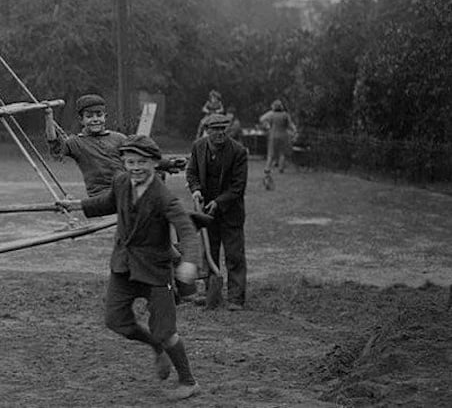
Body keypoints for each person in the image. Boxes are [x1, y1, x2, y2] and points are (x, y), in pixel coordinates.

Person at [58, 135, 202, 401]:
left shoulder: (163, 197)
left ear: (155, 163)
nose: (135, 167)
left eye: (142, 163)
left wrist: (189, 262)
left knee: (166, 331)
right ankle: (154, 345)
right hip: (123, 266)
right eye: (130, 162)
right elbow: (106, 203)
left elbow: (187, 230)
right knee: (116, 321)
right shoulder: (121, 181)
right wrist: (75, 205)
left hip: (155, 270)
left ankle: (188, 381)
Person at [186, 113, 249, 311]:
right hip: (206, 212)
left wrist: (219, 202)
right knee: (209, 253)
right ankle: (210, 292)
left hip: (231, 212)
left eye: (223, 129)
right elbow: (191, 172)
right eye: (215, 129)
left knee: (234, 255)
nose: (220, 133)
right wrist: (195, 189)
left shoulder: (238, 151)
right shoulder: (198, 146)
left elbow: (238, 187)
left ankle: (236, 298)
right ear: (207, 130)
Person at [45, 94, 129, 197]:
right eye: (89, 116)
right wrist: (49, 117)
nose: (95, 119)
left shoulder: (119, 138)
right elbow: (55, 146)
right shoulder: (76, 142)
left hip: (125, 192)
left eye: (99, 115)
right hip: (100, 197)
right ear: (81, 120)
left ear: (105, 117)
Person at [259, 99, 297, 174]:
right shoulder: (285, 114)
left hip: (273, 135)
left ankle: (267, 168)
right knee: (282, 153)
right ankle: (281, 168)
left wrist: (267, 126)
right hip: (283, 135)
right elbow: (290, 124)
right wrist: (294, 130)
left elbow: (262, 119)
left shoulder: (271, 114)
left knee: (271, 153)